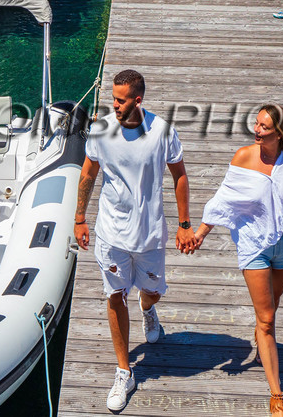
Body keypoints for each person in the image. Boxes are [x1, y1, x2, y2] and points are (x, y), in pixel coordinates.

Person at [188, 105, 283, 417]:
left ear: (279, 132)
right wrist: (200, 233)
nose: (257, 129)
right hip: (254, 246)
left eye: (265, 126)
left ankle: (263, 339)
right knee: (266, 319)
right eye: (256, 123)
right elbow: (223, 199)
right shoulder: (244, 157)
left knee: (271, 309)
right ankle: (277, 395)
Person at [75, 70, 196, 413]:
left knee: (151, 291)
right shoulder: (101, 129)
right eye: (112, 98)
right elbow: (88, 172)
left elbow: (180, 175)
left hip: (149, 234)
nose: (113, 105)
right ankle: (123, 371)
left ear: (138, 100)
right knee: (115, 296)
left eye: (120, 100)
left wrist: (185, 224)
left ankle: (148, 309)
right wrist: (80, 217)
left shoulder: (162, 132)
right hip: (111, 233)